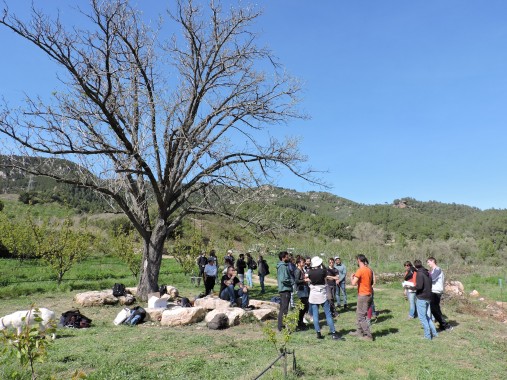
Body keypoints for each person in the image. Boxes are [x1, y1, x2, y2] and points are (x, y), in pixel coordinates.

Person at [307, 256, 343, 340]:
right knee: (328, 314)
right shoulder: (323, 271)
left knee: (315, 315)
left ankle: (318, 333)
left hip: (313, 294)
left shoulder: (310, 272)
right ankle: (333, 333)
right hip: (322, 294)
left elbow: (309, 278)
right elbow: (326, 276)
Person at [349, 254, 374, 341]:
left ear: (359, 260)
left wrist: (351, 278)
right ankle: (359, 332)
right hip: (369, 294)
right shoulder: (369, 270)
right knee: (360, 313)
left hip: (363, 295)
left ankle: (368, 335)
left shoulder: (360, 270)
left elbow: (353, 283)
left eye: (357, 260)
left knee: (361, 316)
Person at [414, 259, 438, 340]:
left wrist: (411, 287)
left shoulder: (419, 274)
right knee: (427, 316)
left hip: (422, 297)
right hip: (428, 296)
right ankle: (434, 333)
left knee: (422, 317)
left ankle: (427, 336)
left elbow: (419, 286)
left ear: (415, 267)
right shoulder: (428, 272)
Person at [427, 257, 453, 331]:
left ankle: (446, 326)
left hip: (436, 292)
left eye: (428, 262)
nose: (428, 264)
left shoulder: (438, 269)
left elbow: (433, 279)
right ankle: (443, 325)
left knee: (434, 309)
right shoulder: (433, 270)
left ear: (433, 261)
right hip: (433, 291)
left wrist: (425, 276)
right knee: (435, 309)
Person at [276, 251, 293, 331]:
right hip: (285, 289)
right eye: (287, 256)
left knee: (283, 308)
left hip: (284, 289)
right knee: (284, 309)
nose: (288, 258)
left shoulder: (283, 266)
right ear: (283, 258)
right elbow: (283, 279)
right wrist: (291, 282)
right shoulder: (282, 266)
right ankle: (282, 326)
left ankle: (281, 326)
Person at [294, 257, 309, 330]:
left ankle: (301, 321)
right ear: (299, 263)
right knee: (303, 306)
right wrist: (304, 280)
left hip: (305, 289)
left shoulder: (302, 270)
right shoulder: (297, 271)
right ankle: (299, 322)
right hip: (301, 290)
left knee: (305, 306)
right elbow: (296, 281)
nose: (304, 263)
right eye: (303, 262)